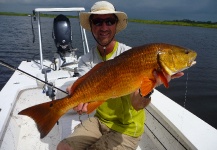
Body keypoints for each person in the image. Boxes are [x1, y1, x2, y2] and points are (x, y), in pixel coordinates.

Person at [57, 1, 184, 150]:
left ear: (116, 25)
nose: (104, 27)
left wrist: (150, 87)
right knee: (63, 147)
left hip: (127, 129)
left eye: (109, 21)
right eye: (97, 21)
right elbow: (85, 94)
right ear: (91, 26)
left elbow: (138, 105)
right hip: (100, 121)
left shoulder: (133, 57)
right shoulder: (85, 60)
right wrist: (77, 99)